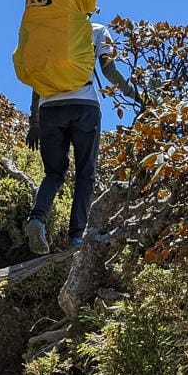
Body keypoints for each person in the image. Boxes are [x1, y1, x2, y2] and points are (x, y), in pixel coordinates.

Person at [23, 17, 133, 255]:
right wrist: (134, 94)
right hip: (84, 106)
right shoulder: (97, 30)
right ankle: (75, 237)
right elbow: (109, 70)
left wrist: (35, 122)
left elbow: (38, 80)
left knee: (53, 173)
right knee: (86, 173)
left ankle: (37, 219)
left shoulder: (48, 30)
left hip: (49, 107)